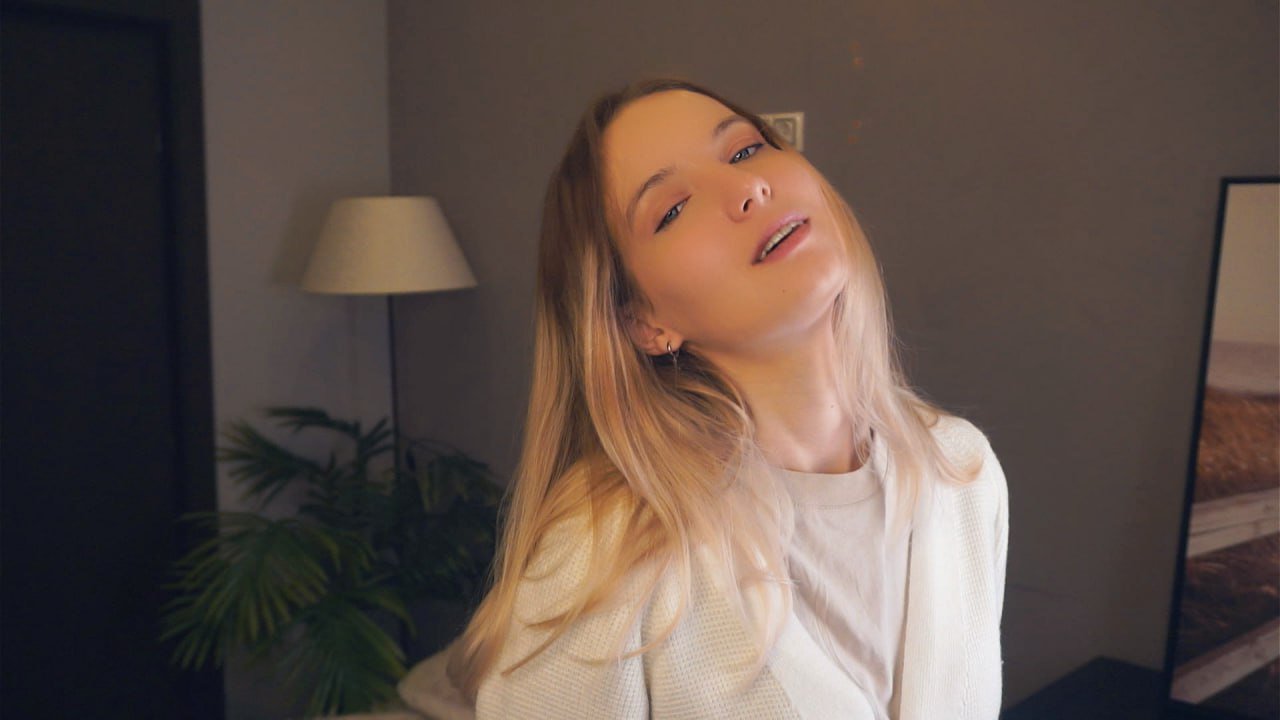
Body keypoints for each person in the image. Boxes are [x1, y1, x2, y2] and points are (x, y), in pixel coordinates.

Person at [446, 78, 1009, 720]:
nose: (748, 188)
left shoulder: (962, 473)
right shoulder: (605, 554)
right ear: (642, 321)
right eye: (672, 209)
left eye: (745, 150)